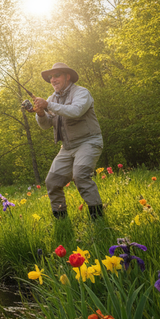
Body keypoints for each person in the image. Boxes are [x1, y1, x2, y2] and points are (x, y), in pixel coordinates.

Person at [27, 62, 105, 220]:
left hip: (88, 142)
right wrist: (41, 113)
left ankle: (98, 220)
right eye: (50, 77)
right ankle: (61, 220)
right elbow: (46, 125)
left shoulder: (82, 92)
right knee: (52, 182)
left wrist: (48, 105)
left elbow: (76, 111)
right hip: (67, 148)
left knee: (81, 175)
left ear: (67, 76)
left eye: (57, 75)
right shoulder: (52, 98)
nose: (53, 79)